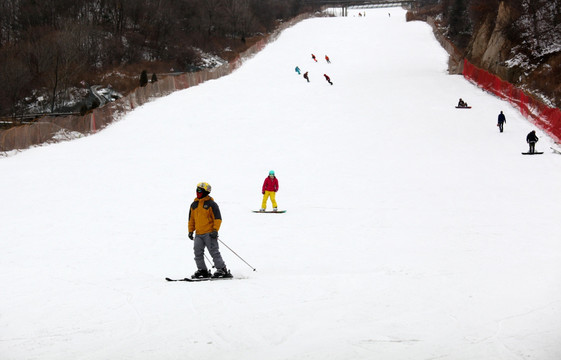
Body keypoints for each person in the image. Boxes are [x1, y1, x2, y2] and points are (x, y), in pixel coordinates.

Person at [188, 182, 231, 279]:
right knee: (197, 252)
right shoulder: (194, 205)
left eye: (200, 190)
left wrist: (215, 230)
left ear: (206, 192)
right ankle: (202, 270)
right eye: (197, 190)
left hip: (209, 233)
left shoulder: (211, 204)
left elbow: (217, 218)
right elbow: (191, 219)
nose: (197, 192)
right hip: (198, 234)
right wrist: (190, 231)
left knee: (214, 252)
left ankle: (222, 269)